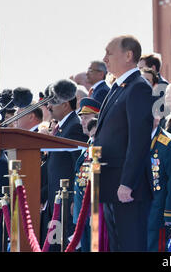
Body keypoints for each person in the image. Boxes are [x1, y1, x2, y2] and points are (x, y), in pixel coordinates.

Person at [94, 35, 154, 251]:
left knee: (131, 245)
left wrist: (128, 182)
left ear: (128, 55)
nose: (105, 59)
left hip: (126, 187)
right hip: (111, 183)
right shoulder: (118, 87)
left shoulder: (138, 87)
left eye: (109, 53)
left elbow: (138, 140)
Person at [42, 79, 88, 251]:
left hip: (67, 201)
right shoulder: (62, 128)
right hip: (56, 201)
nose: (49, 107)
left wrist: (76, 199)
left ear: (67, 104)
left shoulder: (74, 127)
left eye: (54, 102)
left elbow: (80, 166)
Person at [147, 115, 171, 252]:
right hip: (139, 211)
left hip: (157, 211)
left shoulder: (169, 143)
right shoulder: (135, 139)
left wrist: (170, 212)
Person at [72, 97, 100, 252]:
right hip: (82, 209)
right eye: (81, 117)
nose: (83, 121)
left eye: (87, 117)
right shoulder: (88, 144)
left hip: (94, 209)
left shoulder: (100, 143)